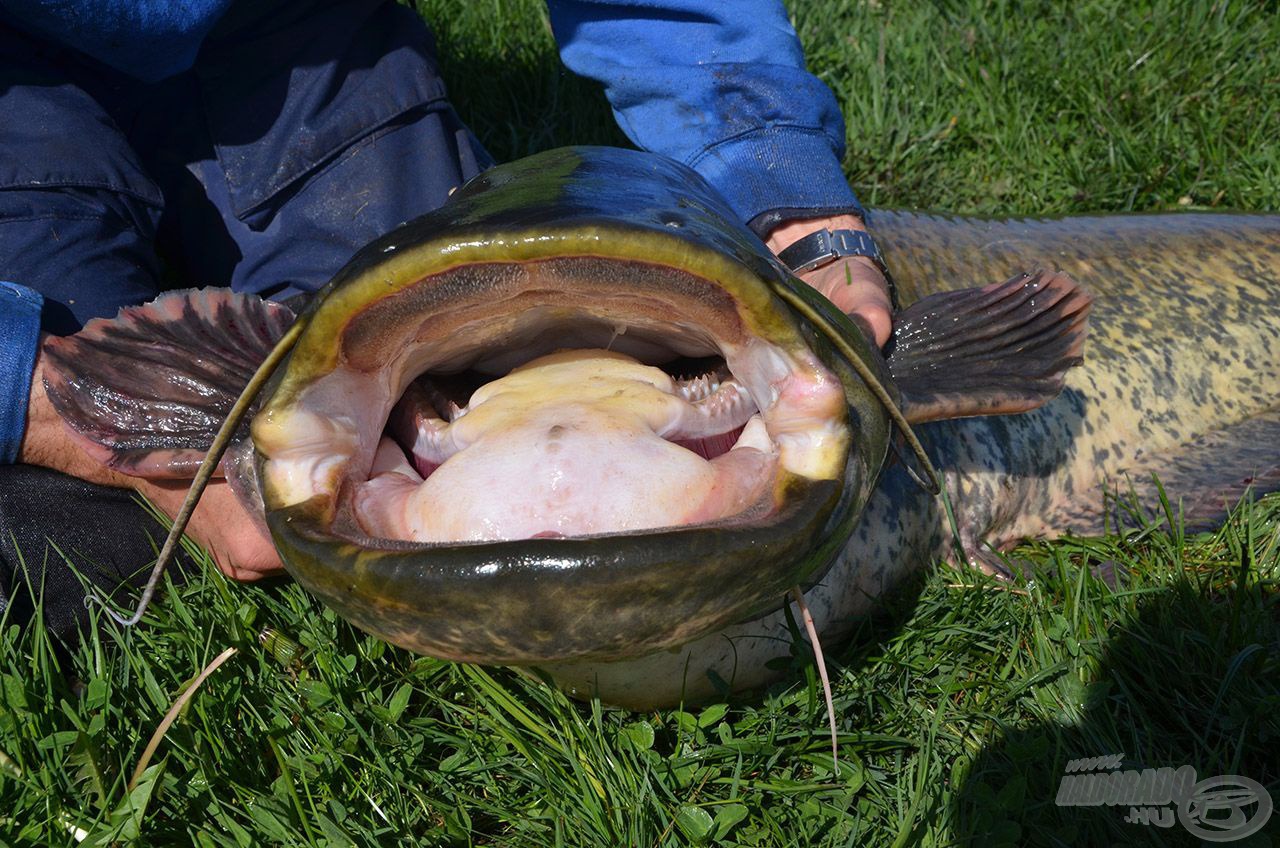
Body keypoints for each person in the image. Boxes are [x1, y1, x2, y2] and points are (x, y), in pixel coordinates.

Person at [0, 0, 892, 634]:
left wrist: (784, 193)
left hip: (294, 37)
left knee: (407, 376)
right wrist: (37, 395)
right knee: (82, 533)